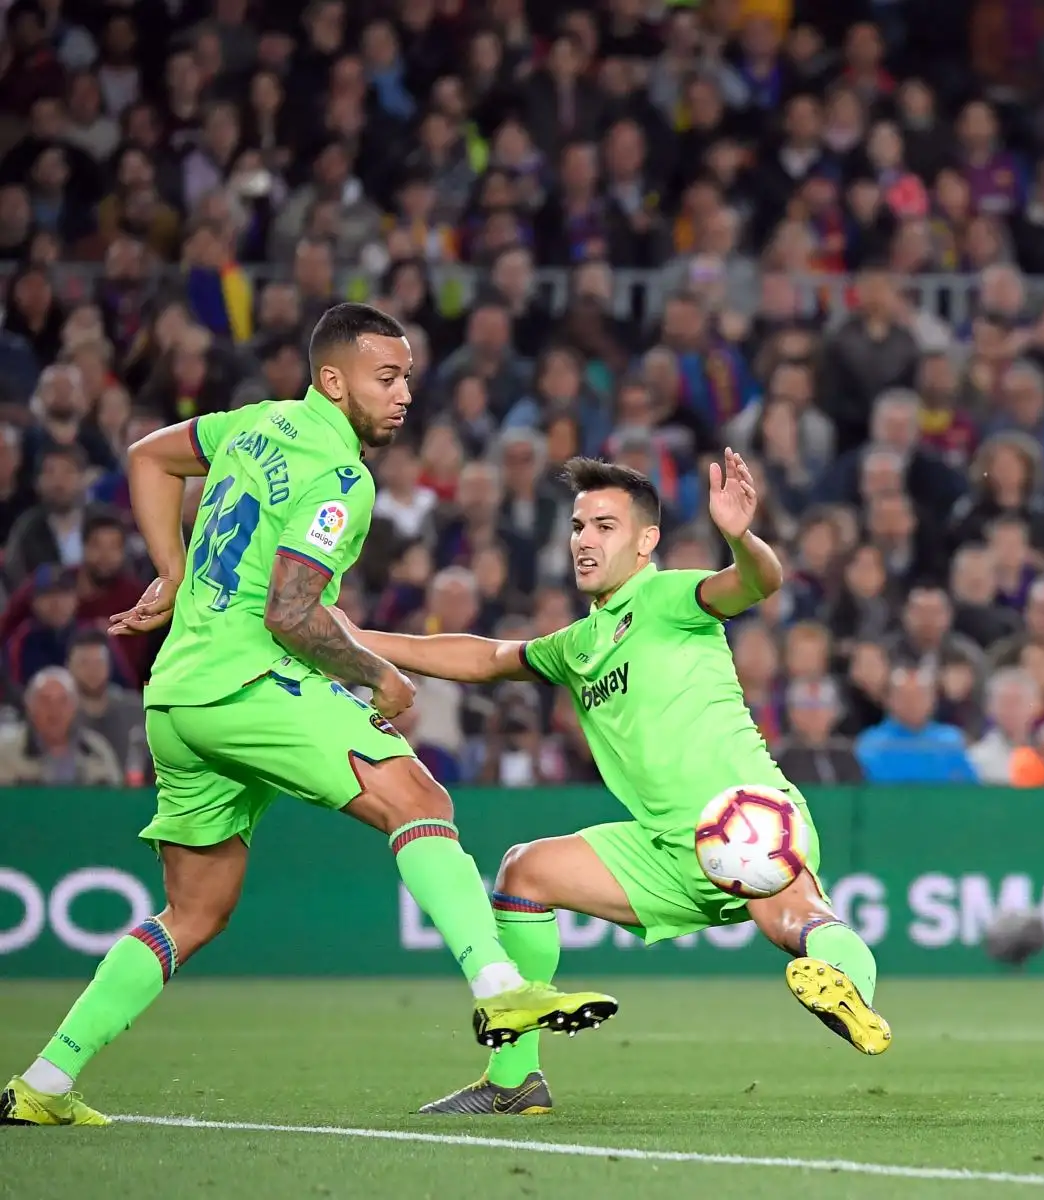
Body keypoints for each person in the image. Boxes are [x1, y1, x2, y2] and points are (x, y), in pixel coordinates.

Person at [0, 304, 614, 1129]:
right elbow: (290, 613)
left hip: (176, 696)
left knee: (195, 911)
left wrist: (173, 572)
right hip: (248, 682)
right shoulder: (341, 476)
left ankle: (43, 1082)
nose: (404, 395)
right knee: (420, 800)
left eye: (407, 378)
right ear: (333, 380)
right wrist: (379, 675)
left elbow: (148, 458)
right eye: (385, 377)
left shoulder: (252, 424)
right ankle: (500, 987)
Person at [345, 454, 890, 1117]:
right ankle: (514, 1082)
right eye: (578, 526)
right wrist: (359, 639)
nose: (585, 540)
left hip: (745, 816)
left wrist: (741, 537)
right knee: (524, 872)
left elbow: (757, 582)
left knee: (794, 920)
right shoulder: (577, 645)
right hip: (661, 848)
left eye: (605, 526)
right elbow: (487, 657)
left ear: (645, 540)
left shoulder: (668, 599)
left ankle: (849, 991)